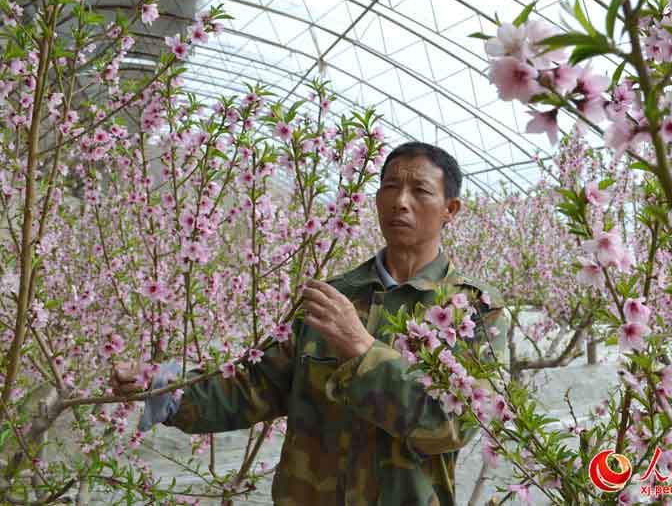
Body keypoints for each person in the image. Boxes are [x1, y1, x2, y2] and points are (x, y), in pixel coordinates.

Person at [111, 142, 508, 505]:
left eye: (420, 191)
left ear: (449, 210)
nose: (401, 202)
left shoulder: (473, 311)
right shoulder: (332, 297)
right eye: (390, 187)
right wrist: (167, 388)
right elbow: (256, 385)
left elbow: (454, 424)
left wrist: (363, 352)